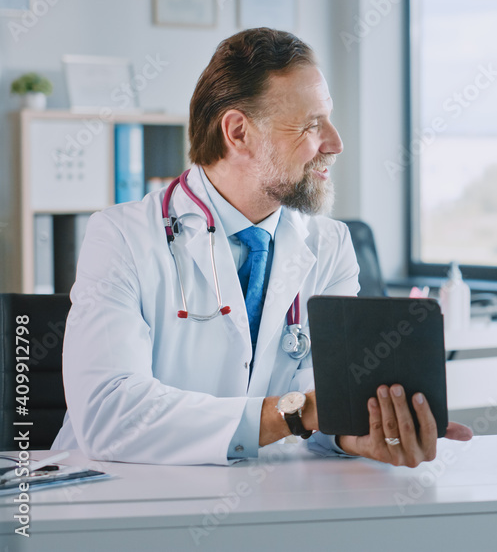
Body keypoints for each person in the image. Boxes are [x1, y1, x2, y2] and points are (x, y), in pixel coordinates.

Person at [52, 28, 471, 466]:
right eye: (311, 124)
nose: (335, 143)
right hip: (113, 502)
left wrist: (354, 435)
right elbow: (110, 416)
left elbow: (325, 401)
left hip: (257, 498)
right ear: (238, 133)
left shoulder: (330, 245)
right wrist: (294, 415)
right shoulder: (121, 236)